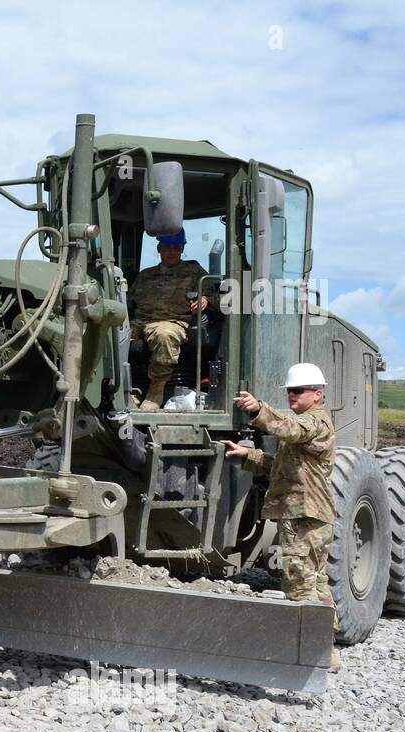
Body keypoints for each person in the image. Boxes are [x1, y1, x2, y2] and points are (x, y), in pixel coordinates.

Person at [221, 363, 341, 648]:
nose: (292, 396)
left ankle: (307, 648)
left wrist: (256, 410)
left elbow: (290, 429)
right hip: (305, 514)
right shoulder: (305, 427)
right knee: (316, 580)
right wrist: (248, 455)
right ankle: (325, 645)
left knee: (298, 580)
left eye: (298, 391)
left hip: (306, 516)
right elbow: (281, 468)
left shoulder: (316, 422)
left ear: (317, 394)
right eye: (289, 391)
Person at [129, 228, 208, 411]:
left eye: (176, 247)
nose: (171, 251)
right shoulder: (146, 275)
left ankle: (156, 391)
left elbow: (218, 296)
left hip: (173, 321)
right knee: (113, 336)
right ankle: (126, 389)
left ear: (182, 249)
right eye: (167, 247)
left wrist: (206, 300)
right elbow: (128, 302)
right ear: (159, 248)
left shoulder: (194, 271)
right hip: (141, 321)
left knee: (164, 335)